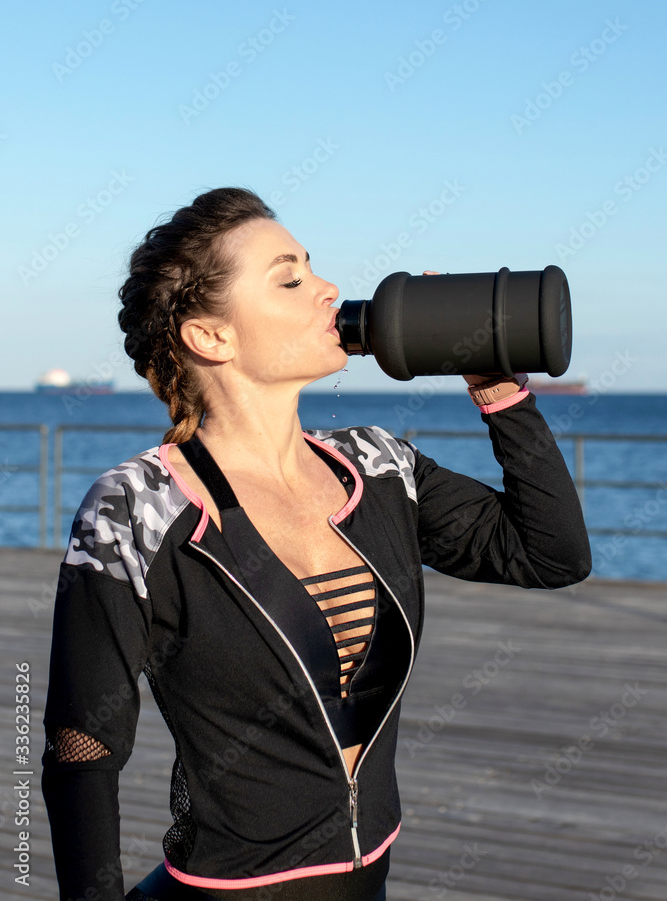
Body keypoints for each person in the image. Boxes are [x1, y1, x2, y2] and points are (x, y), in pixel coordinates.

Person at [41, 187, 592, 901]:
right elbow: (82, 747)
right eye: (290, 278)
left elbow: (550, 555)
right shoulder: (137, 509)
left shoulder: (378, 466)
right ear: (212, 337)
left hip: (370, 877)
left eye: (314, 268)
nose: (328, 289)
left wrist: (496, 388)